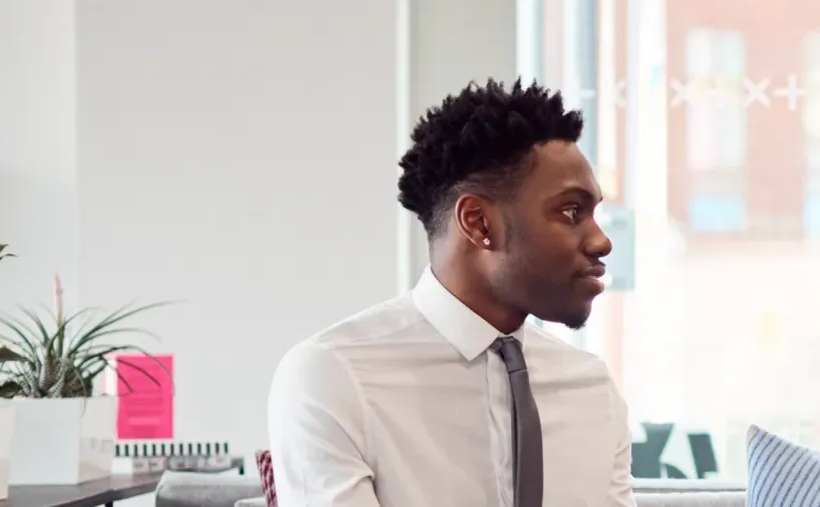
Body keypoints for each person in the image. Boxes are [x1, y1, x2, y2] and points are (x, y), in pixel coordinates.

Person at [267, 79, 631, 507]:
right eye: (571, 211)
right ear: (478, 223)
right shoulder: (334, 377)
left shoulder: (592, 388)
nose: (602, 241)